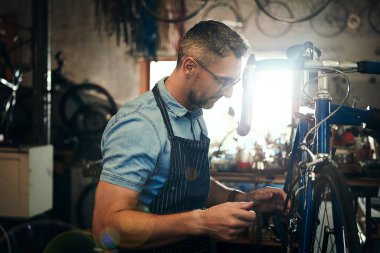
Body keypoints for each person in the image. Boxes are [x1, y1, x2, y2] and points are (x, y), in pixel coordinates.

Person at [92, 20, 289, 252]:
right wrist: (201, 221)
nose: (228, 93)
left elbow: (193, 182)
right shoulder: (140, 124)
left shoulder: (194, 113)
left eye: (234, 82)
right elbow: (106, 228)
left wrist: (241, 198)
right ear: (189, 67)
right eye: (223, 81)